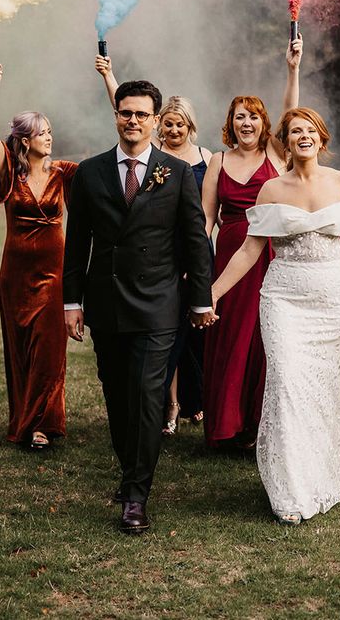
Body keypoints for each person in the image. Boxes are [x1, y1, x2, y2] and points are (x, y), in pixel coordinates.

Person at [212, 107, 340, 524]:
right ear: (285, 142)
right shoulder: (270, 190)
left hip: (332, 300)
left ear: (322, 139)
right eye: (295, 131)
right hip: (283, 297)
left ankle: (326, 466)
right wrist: (211, 295)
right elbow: (249, 251)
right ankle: (293, 485)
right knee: (285, 383)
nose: (303, 136)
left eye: (310, 131)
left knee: (324, 386)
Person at [63, 80, 215, 534]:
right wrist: (72, 301)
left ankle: (135, 496)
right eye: (125, 113)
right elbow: (77, 244)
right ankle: (131, 469)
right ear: (117, 116)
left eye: (141, 115)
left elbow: (194, 241)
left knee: (149, 398)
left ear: (154, 120)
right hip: (106, 302)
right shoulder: (90, 173)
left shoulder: (177, 172)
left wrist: (200, 299)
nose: (133, 121)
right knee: (118, 396)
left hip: (158, 305)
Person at [94, 56, 212, 434]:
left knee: (191, 337)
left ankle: (192, 401)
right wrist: (109, 76)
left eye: (180, 124)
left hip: (189, 255)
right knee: (164, 340)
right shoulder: (146, 154)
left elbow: (204, 219)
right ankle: (166, 405)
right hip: (154, 262)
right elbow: (129, 110)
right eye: (170, 124)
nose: (174, 130)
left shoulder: (200, 161)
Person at [200, 36, 302, 449]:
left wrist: (293, 69)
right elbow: (205, 219)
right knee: (229, 336)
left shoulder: (277, 154)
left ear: (264, 124)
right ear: (231, 122)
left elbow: (292, 112)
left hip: (269, 256)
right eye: (240, 117)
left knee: (263, 336)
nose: (247, 124)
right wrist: (196, 262)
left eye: (254, 118)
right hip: (229, 258)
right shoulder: (217, 163)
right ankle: (226, 425)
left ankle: (260, 425)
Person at [0, 61, 77, 451]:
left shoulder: (64, 172)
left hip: (54, 274)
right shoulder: (9, 173)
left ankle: (42, 425)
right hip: (16, 276)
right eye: (41, 132)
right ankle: (23, 417)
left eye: (50, 131)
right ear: (23, 140)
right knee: (21, 349)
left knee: (49, 351)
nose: (49, 138)